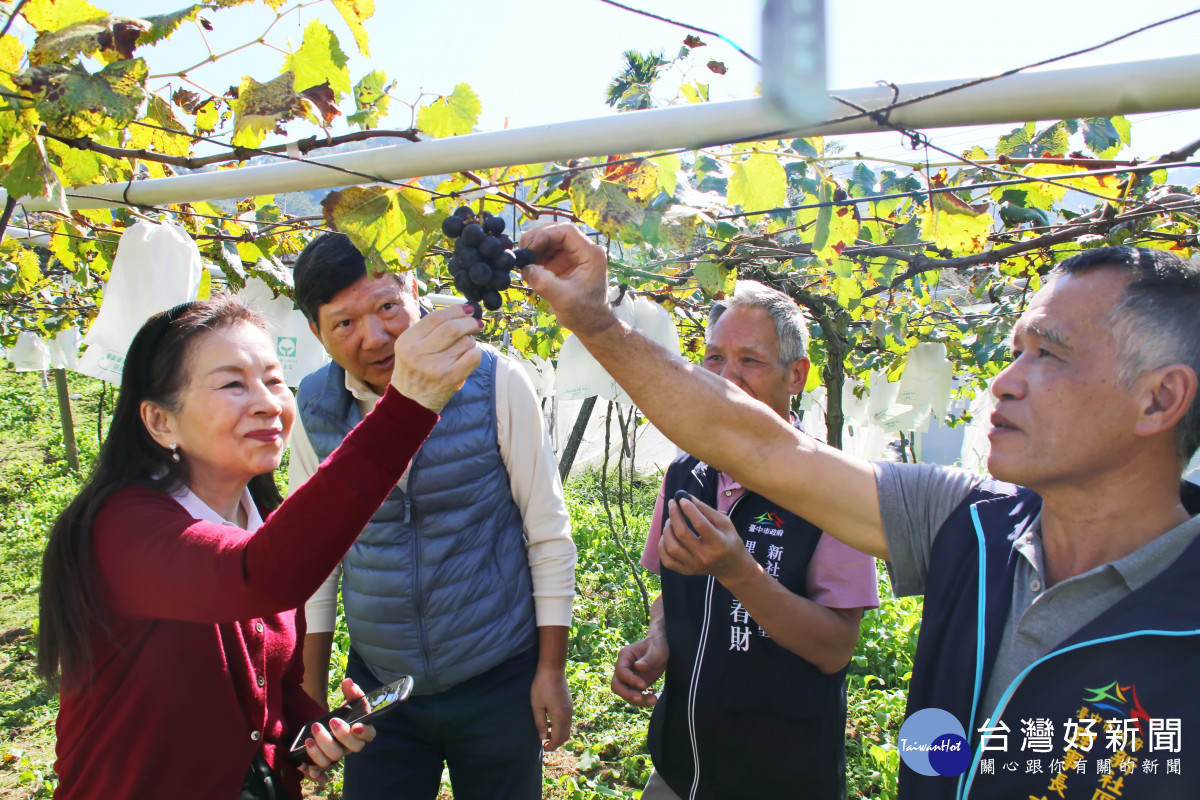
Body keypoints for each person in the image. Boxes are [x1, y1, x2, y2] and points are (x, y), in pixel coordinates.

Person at [521, 225, 1200, 800]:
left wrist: (739, 572)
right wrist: (595, 320)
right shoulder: (967, 524)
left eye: (1047, 353)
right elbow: (752, 441)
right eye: (1015, 349)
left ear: (1159, 399)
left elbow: (831, 641)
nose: (1004, 380)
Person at [37, 295, 484, 800]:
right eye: (232, 383)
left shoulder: (264, 526)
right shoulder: (122, 529)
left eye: (274, 380)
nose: (269, 402)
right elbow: (255, 577)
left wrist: (310, 731)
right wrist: (407, 407)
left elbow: (277, 688)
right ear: (161, 421)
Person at [289, 232, 577, 800]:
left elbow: (547, 534)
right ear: (316, 334)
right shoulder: (314, 408)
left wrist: (550, 670)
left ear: (415, 292)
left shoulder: (495, 381)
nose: (375, 337)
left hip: (497, 676)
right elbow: (314, 559)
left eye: (387, 307)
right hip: (379, 685)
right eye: (343, 324)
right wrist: (311, 696)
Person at [610, 281, 878, 800]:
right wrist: (660, 637)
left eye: (750, 360)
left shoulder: (833, 489)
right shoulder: (685, 473)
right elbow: (672, 590)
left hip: (781, 778)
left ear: (795, 375)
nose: (726, 378)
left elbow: (835, 648)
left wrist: (739, 572)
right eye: (713, 358)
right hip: (678, 766)